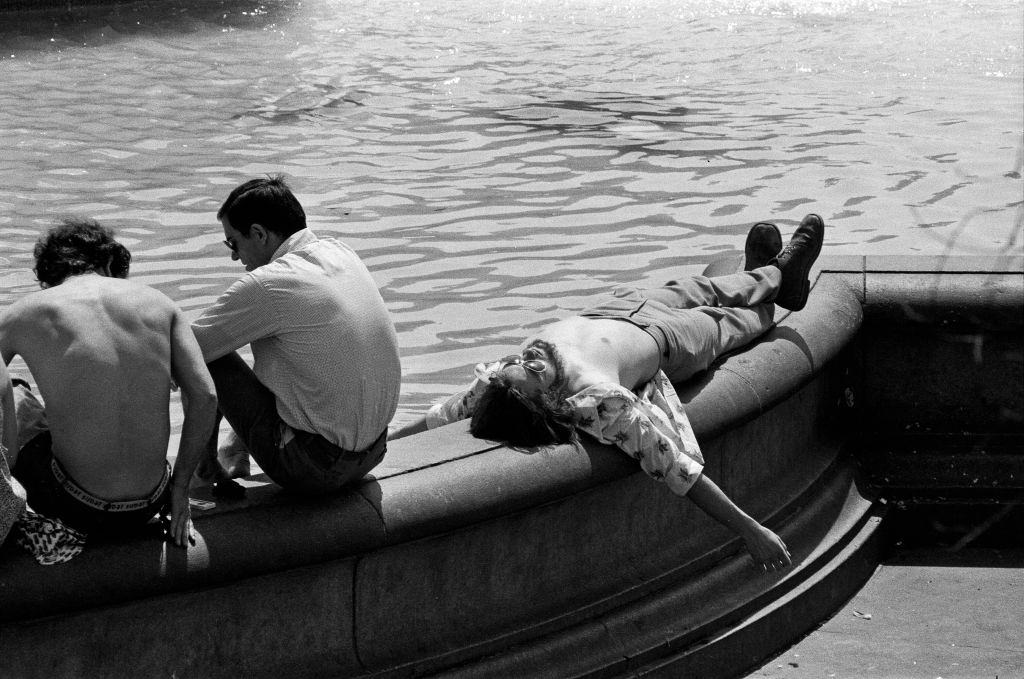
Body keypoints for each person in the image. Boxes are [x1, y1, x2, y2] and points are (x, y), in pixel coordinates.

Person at [390, 214, 827, 571]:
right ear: (546, 400)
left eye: (520, 364)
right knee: (737, 322)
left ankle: (769, 273)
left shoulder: (501, 382)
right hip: (670, 340)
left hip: (620, 307)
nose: (526, 360)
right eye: (532, 372)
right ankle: (780, 282)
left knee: (706, 287)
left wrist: (384, 445)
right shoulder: (595, 401)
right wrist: (751, 530)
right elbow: (675, 467)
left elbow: (440, 416)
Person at [0, 219, 217, 550]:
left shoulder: (20, 314)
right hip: (152, 504)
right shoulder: (161, 303)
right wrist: (180, 489)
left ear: (49, 276)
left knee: (15, 391)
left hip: (75, 506)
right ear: (109, 261)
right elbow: (205, 397)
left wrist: (11, 461)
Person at [191, 175, 400, 495]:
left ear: (258, 234)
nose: (234, 256)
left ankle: (205, 470)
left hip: (317, 468)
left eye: (233, 243)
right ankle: (237, 448)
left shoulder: (267, 284)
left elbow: (182, 348)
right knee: (284, 350)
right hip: (374, 453)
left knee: (209, 356)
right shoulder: (341, 252)